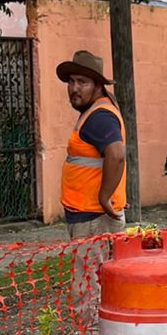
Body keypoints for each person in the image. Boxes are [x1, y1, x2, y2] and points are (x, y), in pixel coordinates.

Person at [57, 49, 127, 238]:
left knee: (92, 269)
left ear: (97, 86)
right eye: (71, 81)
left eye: (82, 82)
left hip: (94, 218)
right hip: (90, 215)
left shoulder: (99, 117)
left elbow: (117, 155)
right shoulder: (93, 112)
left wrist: (105, 198)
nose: (74, 88)